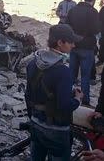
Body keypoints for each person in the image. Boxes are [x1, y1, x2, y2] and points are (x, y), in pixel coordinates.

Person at [24, 24, 83, 160]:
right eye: (70, 42)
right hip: (56, 131)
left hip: (36, 124)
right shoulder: (63, 71)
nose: (73, 45)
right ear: (60, 43)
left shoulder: (33, 63)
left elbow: (28, 95)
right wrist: (77, 99)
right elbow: (65, 106)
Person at [67, 0, 100, 106]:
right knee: (85, 76)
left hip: (73, 46)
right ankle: (85, 101)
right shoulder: (93, 12)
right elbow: (96, 29)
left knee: (71, 74)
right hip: (87, 47)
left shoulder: (73, 10)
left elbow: (67, 26)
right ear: (93, 0)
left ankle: (68, 96)